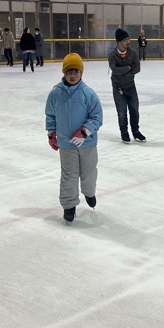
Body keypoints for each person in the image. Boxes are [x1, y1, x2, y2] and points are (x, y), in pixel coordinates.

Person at [45, 53, 103, 223]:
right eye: (69, 71)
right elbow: (50, 115)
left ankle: (89, 192)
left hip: (88, 143)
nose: (72, 75)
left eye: (75, 71)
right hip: (66, 143)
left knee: (89, 173)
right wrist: (51, 134)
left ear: (81, 72)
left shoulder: (88, 93)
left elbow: (97, 117)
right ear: (64, 72)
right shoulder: (55, 93)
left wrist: (84, 132)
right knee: (69, 175)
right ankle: (69, 206)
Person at [109, 28, 145, 143]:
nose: (128, 42)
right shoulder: (112, 55)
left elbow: (138, 68)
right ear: (119, 42)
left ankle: (136, 131)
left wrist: (124, 71)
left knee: (134, 110)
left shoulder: (132, 53)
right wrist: (129, 67)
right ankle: (124, 132)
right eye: (125, 40)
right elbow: (115, 70)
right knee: (122, 112)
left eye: (128, 40)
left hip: (131, 86)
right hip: (118, 87)